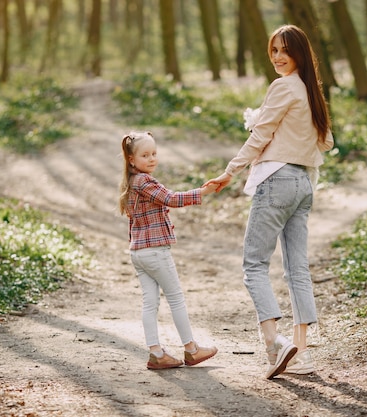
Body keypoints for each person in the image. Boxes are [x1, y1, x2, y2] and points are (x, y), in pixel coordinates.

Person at [205, 24, 334, 379]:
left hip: (277, 182)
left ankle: (274, 344)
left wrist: (230, 170)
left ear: (299, 54)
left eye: (284, 51)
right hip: (304, 184)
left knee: (254, 265)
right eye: (273, 50)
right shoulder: (311, 91)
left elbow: (261, 136)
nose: (277, 57)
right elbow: (325, 142)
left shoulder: (282, 87)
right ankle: (302, 354)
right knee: (297, 270)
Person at [118, 131, 219, 370]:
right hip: (154, 251)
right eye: (145, 155)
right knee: (175, 298)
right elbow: (171, 199)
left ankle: (156, 352)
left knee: (150, 302)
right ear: (132, 160)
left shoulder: (132, 181)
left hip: (138, 252)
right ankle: (191, 350)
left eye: (154, 153)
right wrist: (203, 192)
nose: (152, 159)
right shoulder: (144, 181)